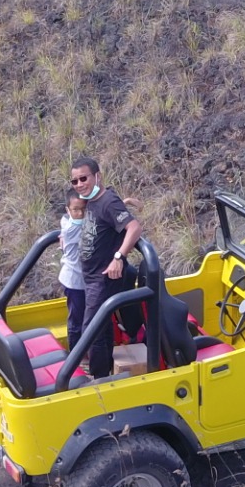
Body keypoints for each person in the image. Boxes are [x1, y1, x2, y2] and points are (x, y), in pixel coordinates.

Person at [70, 157, 143, 378]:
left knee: (91, 331)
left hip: (103, 278)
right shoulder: (93, 199)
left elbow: (134, 227)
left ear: (97, 176)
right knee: (101, 326)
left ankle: (98, 379)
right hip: (91, 277)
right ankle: (105, 370)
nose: (80, 184)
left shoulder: (107, 201)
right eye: (74, 181)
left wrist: (119, 257)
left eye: (84, 178)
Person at [58, 189, 92, 351]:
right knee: (76, 321)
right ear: (68, 210)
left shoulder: (66, 221)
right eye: (76, 210)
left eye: (84, 209)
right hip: (75, 281)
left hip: (81, 280)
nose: (80, 213)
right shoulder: (72, 227)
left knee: (84, 317)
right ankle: (76, 357)